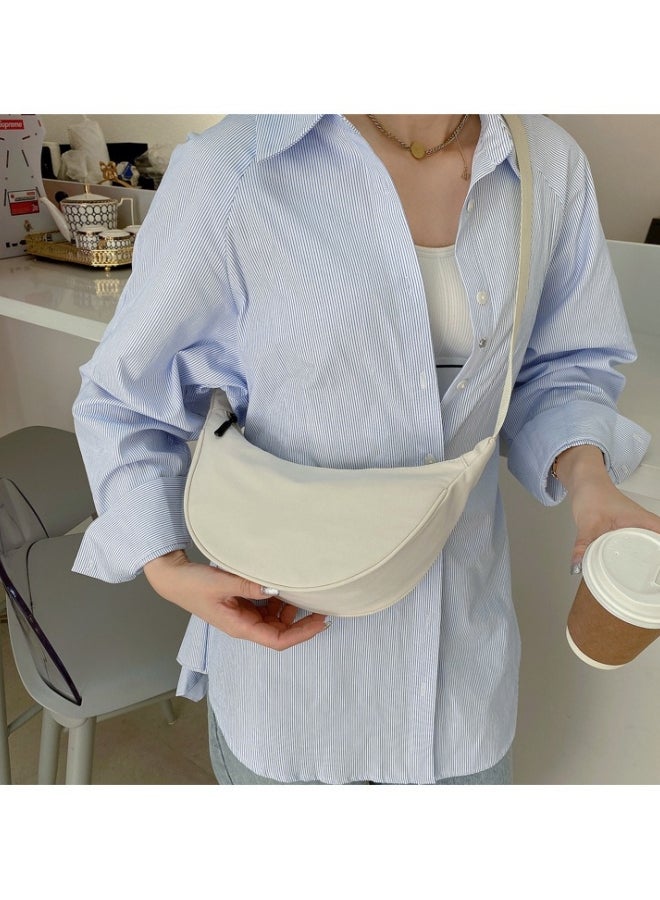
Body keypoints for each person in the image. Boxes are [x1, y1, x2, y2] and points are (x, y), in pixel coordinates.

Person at [72, 114, 660, 785]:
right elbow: (125, 395)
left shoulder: (546, 164)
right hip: (289, 683)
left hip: (460, 690)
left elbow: (562, 367)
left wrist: (590, 481)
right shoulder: (236, 164)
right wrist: (163, 565)